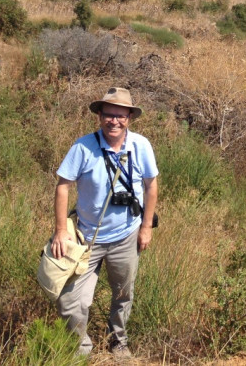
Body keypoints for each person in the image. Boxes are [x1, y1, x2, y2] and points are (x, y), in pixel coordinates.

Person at [51, 87, 159, 358]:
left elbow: (151, 185)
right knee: (71, 301)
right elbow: (63, 186)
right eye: (109, 115)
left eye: (120, 116)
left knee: (123, 294)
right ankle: (81, 348)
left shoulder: (141, 145)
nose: (114, 121)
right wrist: (61, 231)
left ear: (129, 119)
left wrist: (146, 227)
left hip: (126, 235)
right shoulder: (83, 147)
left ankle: (118, 342)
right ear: (99, 116)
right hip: (88, 238)